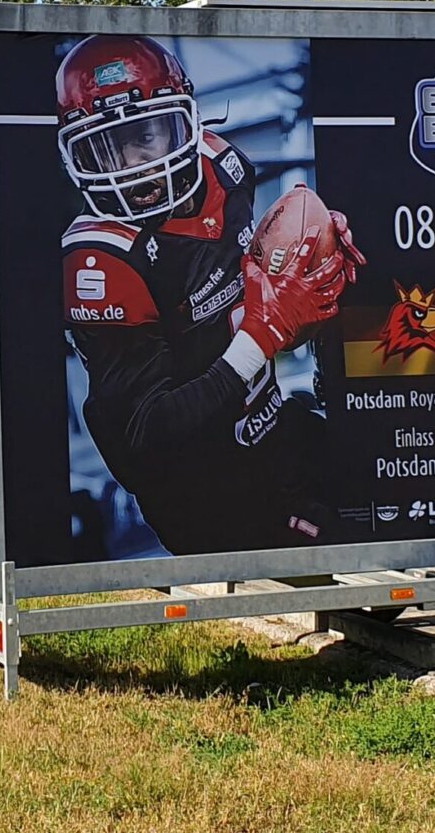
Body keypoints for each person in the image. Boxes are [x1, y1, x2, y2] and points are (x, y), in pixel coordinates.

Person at [57, 34, 363, 555]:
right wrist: (262, 337)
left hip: (268, 431)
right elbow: (147, 438)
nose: (132, 166)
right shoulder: (103, 259)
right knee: (353, 539)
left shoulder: (224, 168)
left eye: (145, 136)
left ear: (184, 120)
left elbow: (246, 294)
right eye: (106, 148)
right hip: (206, 492)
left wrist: (307, 263)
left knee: (379, 477)